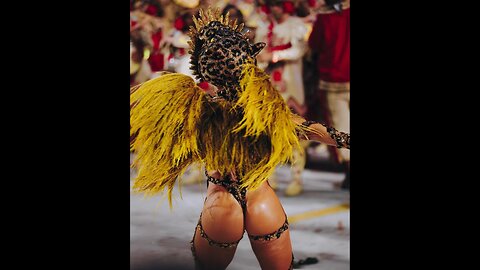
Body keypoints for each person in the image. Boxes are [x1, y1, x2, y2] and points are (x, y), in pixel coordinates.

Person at [130, 8, 349, 270]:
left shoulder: (195, 111)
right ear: (249, 61)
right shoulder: (265, 112)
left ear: (203, 68)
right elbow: (317, 130)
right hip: (262, 202)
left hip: (221, 205)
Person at [308, 0, 350, 189]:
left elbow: (314, 44)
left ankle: (349, 172)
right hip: (335, 80)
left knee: (342, 129)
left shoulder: (324, 16)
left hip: (334, 80)